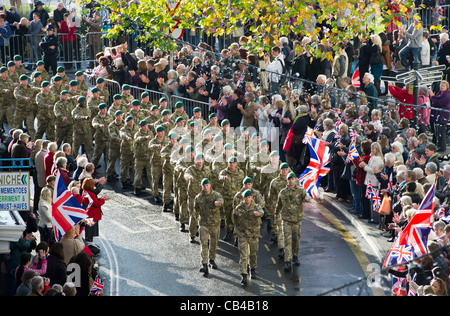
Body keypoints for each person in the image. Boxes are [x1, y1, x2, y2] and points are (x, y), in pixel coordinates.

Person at [232, 189, 264, 286]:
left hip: (253, 234)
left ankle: (253, 268)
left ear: (252, 198)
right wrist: (237, 231)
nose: (247, 199)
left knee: (253, 253)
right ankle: (244, 274)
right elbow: (234, 218)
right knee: (243, 255)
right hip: (243, 234)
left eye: (249, 197)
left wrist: (258, 214)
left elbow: (262, 212)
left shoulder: (256, 207)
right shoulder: (239, 208)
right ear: (243, 198)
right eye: (246, 197)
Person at [194, 178, 224, 276]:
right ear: (201, 186)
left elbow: (221, 200)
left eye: (207, 185)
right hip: (204, 224)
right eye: (204, 186)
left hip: (214, 224)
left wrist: (218, 203)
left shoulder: (216, 195)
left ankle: (212, 259)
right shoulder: (198, 198)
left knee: (214, 243)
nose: (206, 187)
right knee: (204, 244)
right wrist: (197, 221)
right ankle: (204, 264)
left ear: (210, 185)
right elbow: (196, 210)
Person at [81, 177, 110, 243]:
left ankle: (89, 243)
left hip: (89, 215)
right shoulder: (91, 194)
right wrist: (102, 199)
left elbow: (93, 201)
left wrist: (101, 199)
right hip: (92, 216)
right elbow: (96, 204)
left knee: (89, 232)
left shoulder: (85, 192)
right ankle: (89, 245)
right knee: (90, 232)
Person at [429, 81, 450, 152]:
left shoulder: (446, 95)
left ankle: (442, 147)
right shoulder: (439, 93)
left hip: (442, 115)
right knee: (438, 131)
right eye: (441, 85)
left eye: (443, 86)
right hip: (438, 114)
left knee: (441, 131)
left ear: (447, 87)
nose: (441, 87)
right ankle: (439, 144)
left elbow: (438, 103)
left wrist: (432, 96)